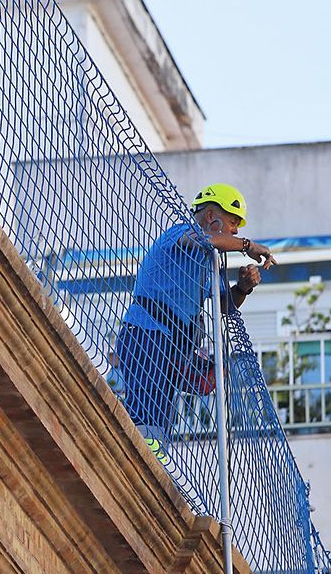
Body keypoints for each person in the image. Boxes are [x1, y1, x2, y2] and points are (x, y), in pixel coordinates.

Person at [114, 183, 277, 429]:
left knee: (159, 423)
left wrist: (244, 287)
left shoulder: (210, 261)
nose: (235, 231)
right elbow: (203, 239)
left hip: (171, 345)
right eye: (232, 222)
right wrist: (248, 246)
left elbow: (225, 306)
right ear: (210, 216)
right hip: (146, 334)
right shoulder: (181, 232)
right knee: (145, 419)